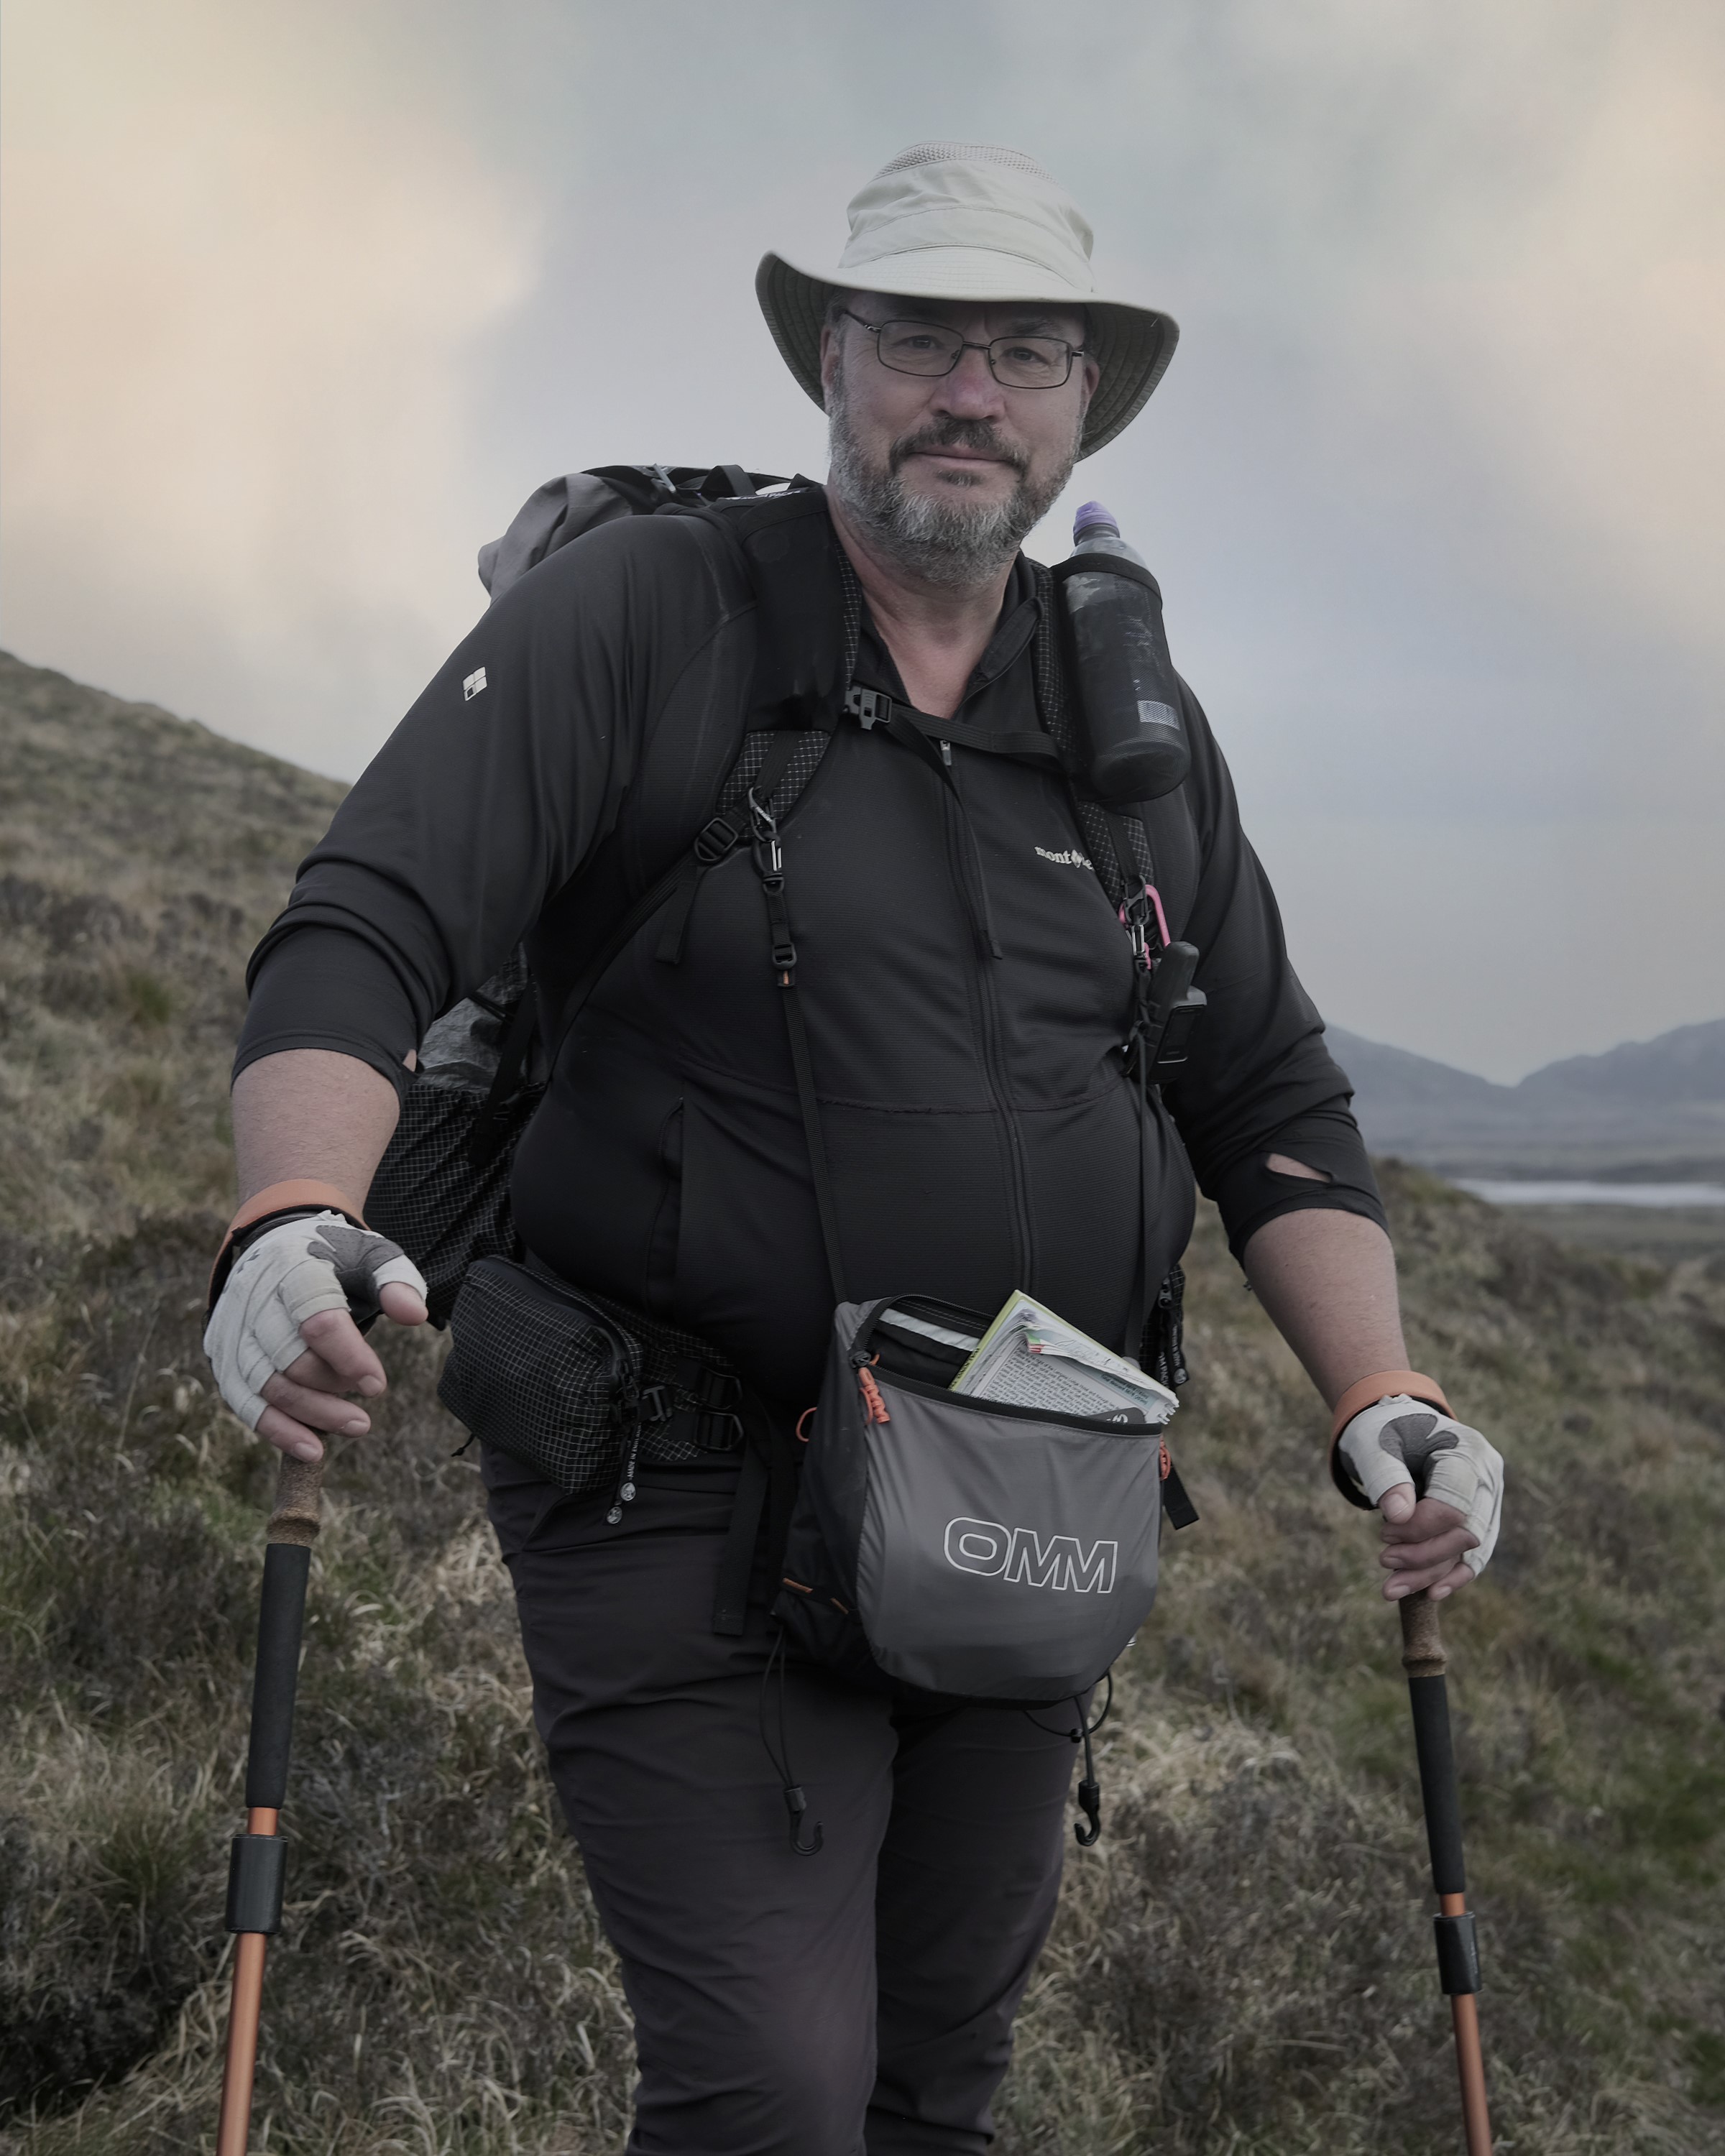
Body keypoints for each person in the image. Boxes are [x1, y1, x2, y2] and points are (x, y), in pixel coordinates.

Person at [205, 142, 1505, 2155]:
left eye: (1026, 351)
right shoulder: (656, 617)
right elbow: (366, 923)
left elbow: (1270, 1095)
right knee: (771, 2095)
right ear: (835, 356)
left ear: (1087, 401)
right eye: (919, 337)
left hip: (1023, 1497)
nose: (969, 392)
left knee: (932, 2085)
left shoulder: (1128, 719)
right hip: (674, 1474)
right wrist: (291, 1218)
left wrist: (1388, 1394)